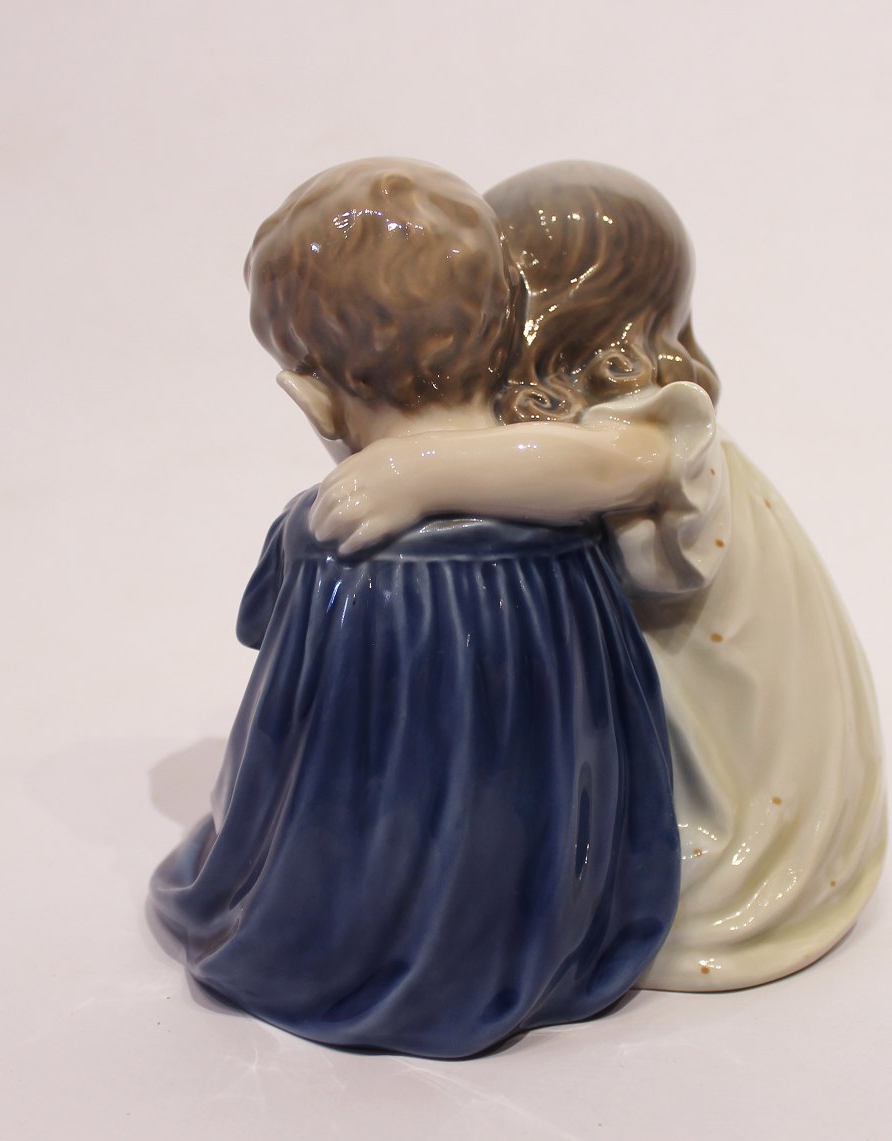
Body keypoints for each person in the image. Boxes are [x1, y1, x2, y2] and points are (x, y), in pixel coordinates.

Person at [149, 158, 680, 1058]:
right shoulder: (574, 522)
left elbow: (277, 724)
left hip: (347, 928)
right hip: (574, 918)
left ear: (310, 392)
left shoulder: (329, 539)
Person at [311, 161, 886, 991]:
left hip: (752, 800)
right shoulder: (553, 444)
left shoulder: (653, 432)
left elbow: (600, 466)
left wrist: (420, 470)